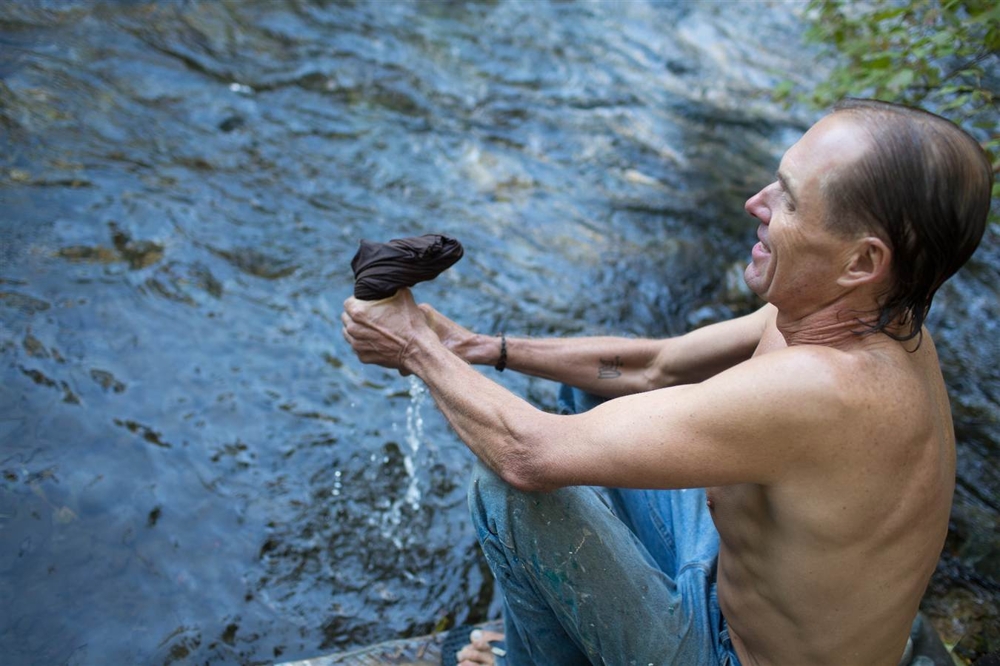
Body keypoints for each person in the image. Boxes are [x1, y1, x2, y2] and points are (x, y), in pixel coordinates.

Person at [341, 99, 993, 666]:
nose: (755, 204)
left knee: (510, 497)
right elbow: (658, 365)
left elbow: (525, 457)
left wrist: (416, 349)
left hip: (737, 655)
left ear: (862, 261)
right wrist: (475, 347)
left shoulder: (831, 391)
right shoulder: (864, 312)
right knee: (599, 395)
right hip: (726, 584)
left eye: (788, 199)